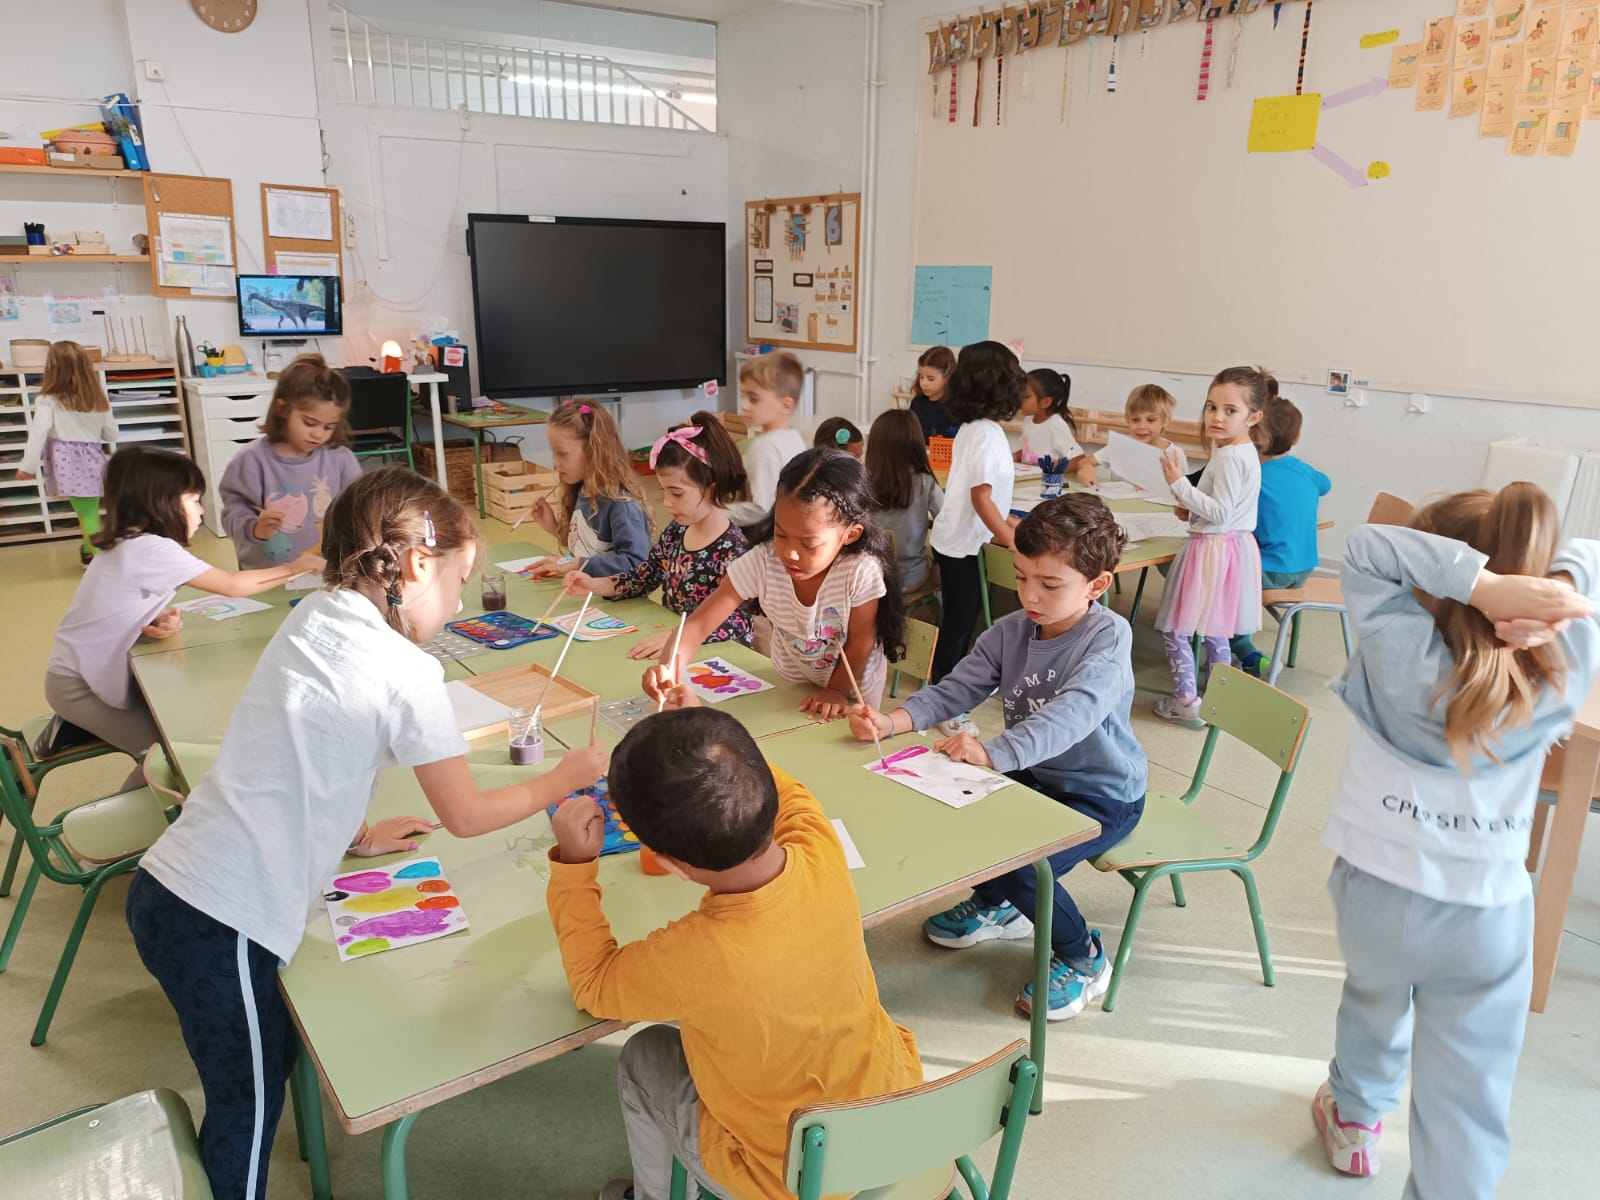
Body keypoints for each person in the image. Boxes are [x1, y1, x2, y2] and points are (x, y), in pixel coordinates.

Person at [127, 466, 608, 1200]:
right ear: (415, 565)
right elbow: (466, 816)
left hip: (173, 886)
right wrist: (561, 778)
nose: (456, 604)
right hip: (223, 919)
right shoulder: (407, 670)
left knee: (263, 1064)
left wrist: (354, 834)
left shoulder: (312, 616)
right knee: (245, 1110)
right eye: (456, 582)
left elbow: (305, 746)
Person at [1312, 483, 1599, 1199]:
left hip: (1375, 896)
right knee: (1468, 1095)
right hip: (1488, 912)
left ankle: (1354, 1121)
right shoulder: (1561, 659)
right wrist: (1549, 592)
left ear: (1429, 585)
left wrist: (1483, 586)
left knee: (1373, 1001)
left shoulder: (1397, 651)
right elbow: (1593, 556)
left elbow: (1368, 548)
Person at [547, 703, 922, 1200]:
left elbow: (593, 985)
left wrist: (574, 865)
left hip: (786, 1179)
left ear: (672, 866)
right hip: (897, 1120)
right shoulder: (819, 848)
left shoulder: (694, 954)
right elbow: (788, 793)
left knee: (644, 1053)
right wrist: (709, 745)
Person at [848, 495, 1146, 1019]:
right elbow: (957, 688)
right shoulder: (1012, 630)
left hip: (1103, 795)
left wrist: (993, 751)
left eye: (1050, 584)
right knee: (970, 832)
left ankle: (1083, 957)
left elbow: (1072, 716)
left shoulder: (1108, 638)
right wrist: (893, 721)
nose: (1029, 595)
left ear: (1097, 585)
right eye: (1022, 576)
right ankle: (998, 905)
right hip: (1036, 776)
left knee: (1026, 867)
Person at [45, 447, 321, 792]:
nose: (201, 510)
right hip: (79, 686)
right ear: (161, 503)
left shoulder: (128, 543)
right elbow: (232, 585)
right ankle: (140, 817)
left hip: (78, 673)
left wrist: (152, 618)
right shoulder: (151, 548)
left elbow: (115, 604)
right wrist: (294, 567)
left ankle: (83, 738)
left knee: (170, 740)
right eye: (193, 500)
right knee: (169, 757)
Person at [643, 448, 904, 718]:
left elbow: (862, 640)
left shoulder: (860, 570)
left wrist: (836, 691)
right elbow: (697, 626)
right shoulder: (763, 561)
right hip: (792, 685)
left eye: (808, 544)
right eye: (781, 535)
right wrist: (668, 669)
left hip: (851, 693)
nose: (790, 553)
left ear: (850, 534)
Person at [564, 413, 754, 656]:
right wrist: (596, 585)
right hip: (675, 649)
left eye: (677, 493)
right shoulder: (677, 531)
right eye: (664, 491)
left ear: (712, 488)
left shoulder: (735, 549)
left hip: (718, 657)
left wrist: (680, 636)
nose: (666, 502)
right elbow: (644, 576)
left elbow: (739, 623)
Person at [1151, 366, 1269, 727]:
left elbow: (1220, 512)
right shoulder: (1237, 449)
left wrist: (1179, 484)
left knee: (1178, 628)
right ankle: (1221, 699)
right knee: (1216, 626)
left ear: (1254, 417)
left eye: (1230, 410)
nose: (1217, 417)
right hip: (1230, 546)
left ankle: (1186, 701)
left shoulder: (1230, 457)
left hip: (1213, 550)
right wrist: (1192, 508)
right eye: (1211, 407)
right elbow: (1222, 508)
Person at [928, 341, 1023, 683]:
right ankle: (944, 688)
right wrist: (1009, 539)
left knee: (963, 617)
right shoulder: (985, 433)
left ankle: (951, 680)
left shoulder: (976, 427)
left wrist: (1009, 521)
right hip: (960, 544)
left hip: (956, 538)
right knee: (960, 620)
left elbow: (984, 493)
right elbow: (981, 498)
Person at [219, 353, 361, 569]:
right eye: (309, 422)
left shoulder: (341, 459)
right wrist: (254, 528)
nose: (318, 434)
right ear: (282, 408)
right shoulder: (251, 460)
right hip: (268, 575)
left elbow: (359, 508)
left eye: (329, 427)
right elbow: (233, 510)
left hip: (323, 572)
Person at [1230, 397, 1332, 677]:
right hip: (1304, 569)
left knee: (1219, 580)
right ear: (1297, 437)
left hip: (1270, 569)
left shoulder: (1254, 475)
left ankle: (1242, 649)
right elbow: (1326, 484)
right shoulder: (1304, 470)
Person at [15, 340, 118, 565]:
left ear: (52, 368)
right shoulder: (97, 397)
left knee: (87, 512)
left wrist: (27, 466)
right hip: (93, 459)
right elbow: (111, 434)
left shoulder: (47, 400)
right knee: (87, 509)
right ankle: (89, 550)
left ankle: (97, 558)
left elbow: (38, 433)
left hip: (67, 463)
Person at [528, 400, 651, 578]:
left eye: (562, 453)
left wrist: (577, 564)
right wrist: (554, 528)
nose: (555, 462)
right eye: (553, 453)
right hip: (585, 590)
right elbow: (586, 549)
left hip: (610, 595)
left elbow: (637, 563)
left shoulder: (621, 504)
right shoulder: (581, 490)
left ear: (593, 451)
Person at [865, 407, 943, 592]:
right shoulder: (924, 481)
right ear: (916, 443)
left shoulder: (862, 481)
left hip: (869, 579)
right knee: (936, 559)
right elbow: (947, 518)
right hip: (910, 577)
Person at [725, 352, 808, 527]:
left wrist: (713, 513)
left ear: (786, 405)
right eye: (743, 396)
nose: (744, 405)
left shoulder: (764, 446)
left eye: (754, 399)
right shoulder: (794, 437)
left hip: (770, 532)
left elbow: (761, 509)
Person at [1076, 384, 1188, 487]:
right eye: (1135, 420)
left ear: (1165, 421)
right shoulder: (1119, 447)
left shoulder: (1175, 454)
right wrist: (1086, 469)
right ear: (1127, 419)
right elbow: (1084, 462)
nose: (1142, 426)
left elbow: (1185, 490)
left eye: (1150, 420)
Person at [1015, 368, 1086, 470]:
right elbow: (1032, 450)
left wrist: (1050, 469)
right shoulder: (1028, 420)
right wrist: (1015, 456)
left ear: (1046, 402)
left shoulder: (1055, 424)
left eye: (1025, 397)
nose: (1018, 400)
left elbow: (1077, 459)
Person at [908, 345, 956, 441]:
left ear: (947, 377)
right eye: (921, 377)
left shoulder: (955, 406)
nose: (924, 383)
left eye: (931, 379)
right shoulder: (917, 402)